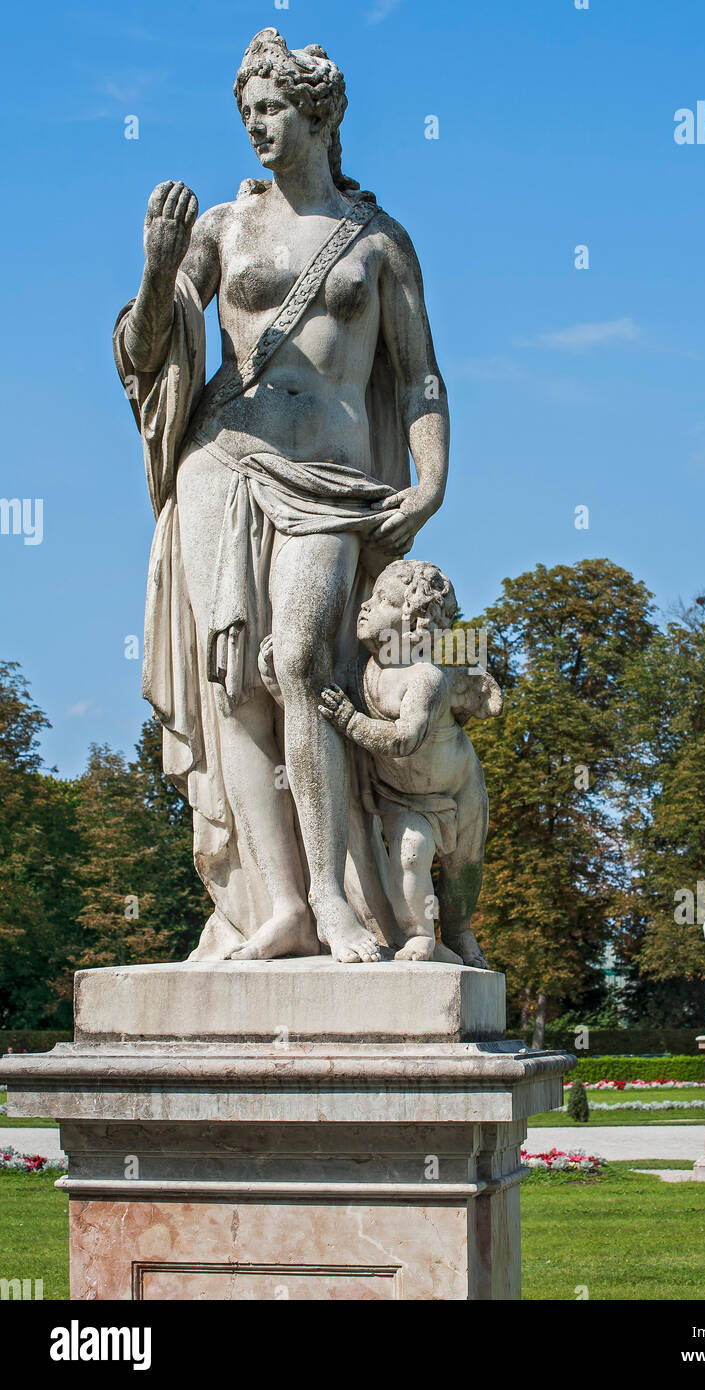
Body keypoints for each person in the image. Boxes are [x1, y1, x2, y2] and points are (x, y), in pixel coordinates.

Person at [114, 31, 448, 963]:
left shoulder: (379, 242)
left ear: (319, 114)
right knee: (235, 691)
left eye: (272, 109)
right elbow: (150, 358)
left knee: (299, 664)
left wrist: (430, 481)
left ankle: (337, 901)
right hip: (221, 460)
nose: (257, 126)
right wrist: (155, 265)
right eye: (247, 112)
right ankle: (281, 906)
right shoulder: (223, 229)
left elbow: (418, 376)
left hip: (332, 483)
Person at [317, 561, 501, 965]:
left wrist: (350, 720)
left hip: (459, 792)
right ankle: (421, 935)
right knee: (411, 856)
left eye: (382, 600)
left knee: (463, 874)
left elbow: (403, 738)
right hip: (401, 796)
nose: (365, 606)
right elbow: (315, 704)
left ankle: (460, 932)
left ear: (412, 623)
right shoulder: (359, 670)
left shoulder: (425, 679)